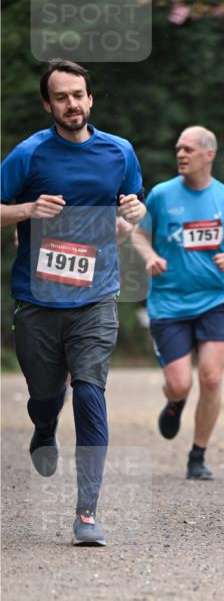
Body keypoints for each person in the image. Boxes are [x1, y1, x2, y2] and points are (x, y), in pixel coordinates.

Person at [0, 59, 145, 546]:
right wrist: (27, 209)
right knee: (46, 393)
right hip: (38, 300)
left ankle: (87, 511)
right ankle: (43, 426)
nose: (72, 104)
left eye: (79, 94)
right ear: (48, 105)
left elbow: (134, 202)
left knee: (89, 390)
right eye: (61, 97)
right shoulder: (29, 154)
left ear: (90, 98)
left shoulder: (119, 152)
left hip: (96, 295)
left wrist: (135, 209)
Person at [130, 126, 224, 480]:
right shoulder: (162, 195)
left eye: (188, 149)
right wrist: (149, 255)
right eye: (178, 149)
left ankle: (197, 455)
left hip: (215, 299)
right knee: (180, 383)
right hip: (168, 302)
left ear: (208, 154)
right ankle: (176, 401)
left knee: (211, 379)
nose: (180, 154)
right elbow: (138, 234)